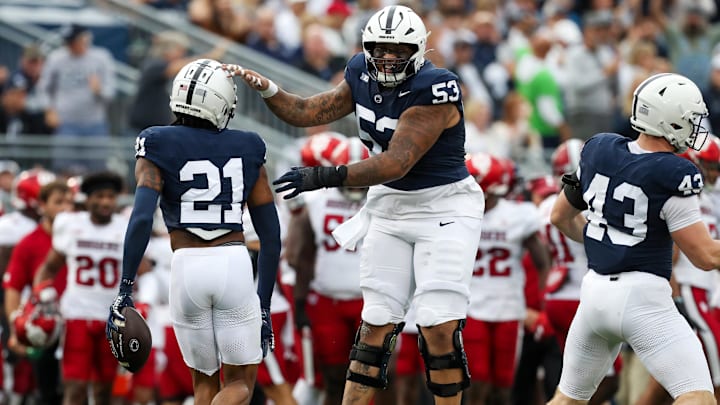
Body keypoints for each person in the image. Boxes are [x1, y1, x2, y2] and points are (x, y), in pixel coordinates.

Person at [227, 5, 484, 404]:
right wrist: (269, 90)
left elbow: (397, 161)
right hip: (390, 205)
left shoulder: (437, 86)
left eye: (398, 50)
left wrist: (323, 175)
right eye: (380, 48)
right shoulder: (359, 73)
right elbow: (307, 110)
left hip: (444, 208)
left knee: (437, 324)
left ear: (417, 50)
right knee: (375, 323)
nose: (388, 58)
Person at [106, 58, 281, 405]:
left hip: (185, 267)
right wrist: (263, 305)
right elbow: (271, 236)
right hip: (232, 263)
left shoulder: (156, 141)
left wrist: (125, 288)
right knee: (240, 384)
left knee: (203, 386)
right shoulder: (248, 145)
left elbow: (141, 219)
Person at [547, 72, 718, 405]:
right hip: (643, 299)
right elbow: (705, 256)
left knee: (567, 400)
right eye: (691, 119)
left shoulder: (599, 149)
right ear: (671, 120)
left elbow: (559, 216)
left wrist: (605, 240)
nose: (696, 127)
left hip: (594, 295)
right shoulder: (674, 173)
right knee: (698, 397)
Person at [33, 171, 130, 405]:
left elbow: (143, 272)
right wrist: (41, 294)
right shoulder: (71, 224)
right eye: (99, 196)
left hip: (112, 319)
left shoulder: (125, 227)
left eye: (110, 196)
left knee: (104, 391)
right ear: (87, 199)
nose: (106, 202)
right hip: (76, 315)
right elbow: (47, 268)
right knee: (74, 387)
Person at [285, 135, 369, 405]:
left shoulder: (384, 199)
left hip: (368, 302)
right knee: (333, 379)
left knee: (370, 379)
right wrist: (299, 304)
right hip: (325, 300)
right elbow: (305, 256)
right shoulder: (317, 201)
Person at [464, 152, 551, 405]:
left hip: (509, 308)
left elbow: (543, 263)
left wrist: (544, 303)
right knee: (477, 382)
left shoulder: (518, 216)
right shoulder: (456, 214)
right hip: (471, 308)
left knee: (503, 386)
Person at [4, 180, 73, 405]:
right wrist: (16, 327)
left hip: (79, 320)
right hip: (46, 322)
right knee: (47, 392)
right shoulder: (29, 243)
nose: (65, 208)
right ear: (42, 205)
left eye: (69, 202)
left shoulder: (83, 237)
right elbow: (13, 287)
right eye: (58, 202)